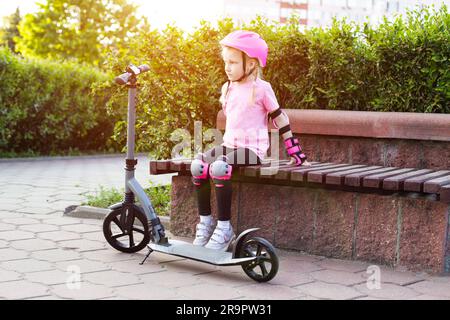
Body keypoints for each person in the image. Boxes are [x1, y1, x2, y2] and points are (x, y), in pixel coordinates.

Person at [190, 30, 310, 251]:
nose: (227, 67)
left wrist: (294, 150)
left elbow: (280, 118)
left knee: (219, 166)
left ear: (252, 64)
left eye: (233, 62)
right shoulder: (228, 88)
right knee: (198, 165)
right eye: (226, 61)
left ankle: (225, 228)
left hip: (252, 149)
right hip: (229, 145)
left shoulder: (262, 89)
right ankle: (206, 223)